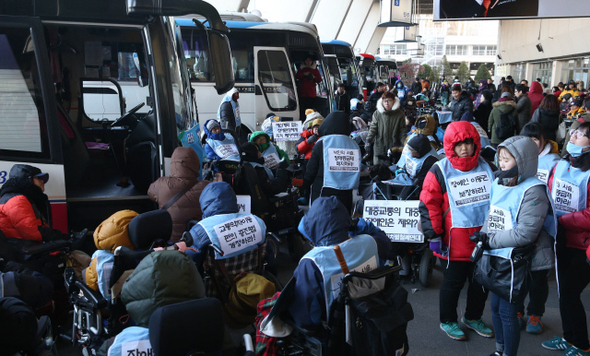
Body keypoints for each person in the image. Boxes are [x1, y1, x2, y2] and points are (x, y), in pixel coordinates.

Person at [476, 136, 554, 356]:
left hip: (519, 261)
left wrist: (488, 241)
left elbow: (526, 233)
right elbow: (492, 216)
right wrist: (482, 236)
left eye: (507, 159)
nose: (501, 164)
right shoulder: (499, 182)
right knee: (495, 309)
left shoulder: (534, 191)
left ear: (523, 161)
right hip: (498, 256)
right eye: (500, 159)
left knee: (508, 312)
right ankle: (500, 351)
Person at [419, 121, 494, 341]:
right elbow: (428, 203)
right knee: (452, 284)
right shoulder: (440, 169)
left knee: (480, 283)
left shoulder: (487, 166)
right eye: (459, 144)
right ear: (450, 145)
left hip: (483, 238)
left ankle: (473, 317)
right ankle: (448, 320)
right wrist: (433, 234)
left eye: (468, 143)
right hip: (452, 241)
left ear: (475, 144)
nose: (464, 148)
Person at [286, 196, 391, 329]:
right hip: (373, 319)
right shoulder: (371, 242)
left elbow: (306, 318)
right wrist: (355, 224)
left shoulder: (311, 263)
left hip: (337, 333)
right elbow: (383, 238)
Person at [542, 122, 590, 356]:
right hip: (560, 239)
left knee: (570, 292)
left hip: (583, 246)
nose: (574, 135)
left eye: (581, 134)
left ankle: (582, 344)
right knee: (564, 292)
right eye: (574, 132)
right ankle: (569, 338)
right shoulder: (561, 165)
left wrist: (561, 220)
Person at [148, 147, 210, 242]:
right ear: (196, 164)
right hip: (195, 243)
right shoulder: (206, 187)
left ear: (173, 164)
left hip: (169, 242)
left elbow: (150, 193)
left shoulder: (161, 184)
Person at [303, 111, 361, 213]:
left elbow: (311, 168)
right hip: (346, 191)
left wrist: (305, 183)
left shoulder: (322, 143)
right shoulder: (354, 144)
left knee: (320, 218)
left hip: (324, 189)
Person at [0, 164, 68, 245]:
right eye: (38, 178)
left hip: (29, 248)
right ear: (28, 180)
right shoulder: (17, 200)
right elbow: (31, 232)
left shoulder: (18, 198)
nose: (42, 181)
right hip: (29, 251)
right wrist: (62, 236)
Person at [366, 90, 406, 165]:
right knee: (378, 169)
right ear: (382, 102)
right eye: (385, 101)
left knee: (392, 169)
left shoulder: (399, 114)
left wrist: (404, 144)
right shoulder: (377, 114)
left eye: (389, 101)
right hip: (380, 145)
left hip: (394, 146)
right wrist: (368, 140)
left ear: (394, 101)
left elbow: (402, 131)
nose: (387, 103)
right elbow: (373, 128)